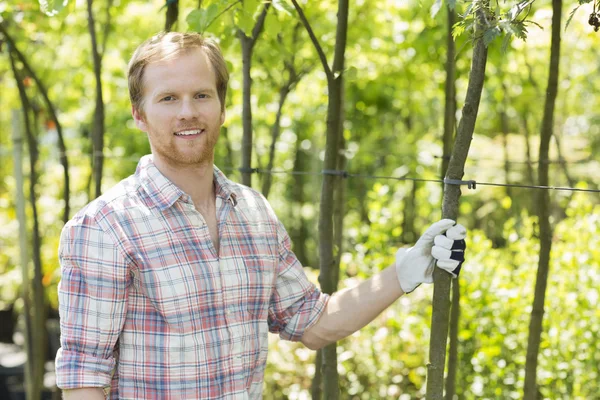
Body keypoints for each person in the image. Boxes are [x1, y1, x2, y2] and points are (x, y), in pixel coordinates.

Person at [55, 32, 467, 400]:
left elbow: (312, 322)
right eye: (168, 98)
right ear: (139, 114)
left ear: (221, 107)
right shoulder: (104, 228)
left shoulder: (253, 213)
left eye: (201, 95)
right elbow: (84, 380)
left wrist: (406, 271)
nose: (188, 112)